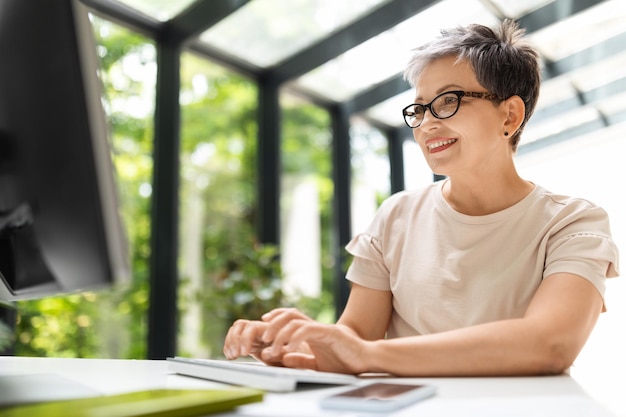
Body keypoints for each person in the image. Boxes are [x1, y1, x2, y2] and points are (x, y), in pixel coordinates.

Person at [223, 19, 620, 376]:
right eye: (419, 107)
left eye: (448, 101)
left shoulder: (572, 223)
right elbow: (356, 336)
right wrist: (298, 344)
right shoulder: (396, 215)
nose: (427, 123)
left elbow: (550, 344)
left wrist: (367, 355)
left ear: (510, 116)